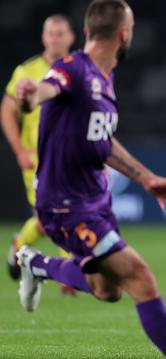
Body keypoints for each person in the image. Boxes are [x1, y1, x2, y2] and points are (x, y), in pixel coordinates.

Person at [14, 1, 166, 359]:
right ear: (124, 33)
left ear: (86, 31)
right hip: (65, 206)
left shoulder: (104, 78)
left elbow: (101, 141)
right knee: (140, 277)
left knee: (107, 290)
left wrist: (145, 178)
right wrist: (29, 96)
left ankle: (36, 264)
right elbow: (45, 91)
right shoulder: (72, 68)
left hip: (95, 201)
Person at [2, 14, 76, 294]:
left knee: (64, 213)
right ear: (44, 38)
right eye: (51, 33)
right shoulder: (27, 71)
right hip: (38, 157)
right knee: (48, 218)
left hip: (71, 157)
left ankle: (23, 246)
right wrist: (20, 149)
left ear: (71, 37)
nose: (56, 38)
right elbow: (7, 110)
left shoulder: (79, 68)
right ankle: (66, 269)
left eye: (61, 33)